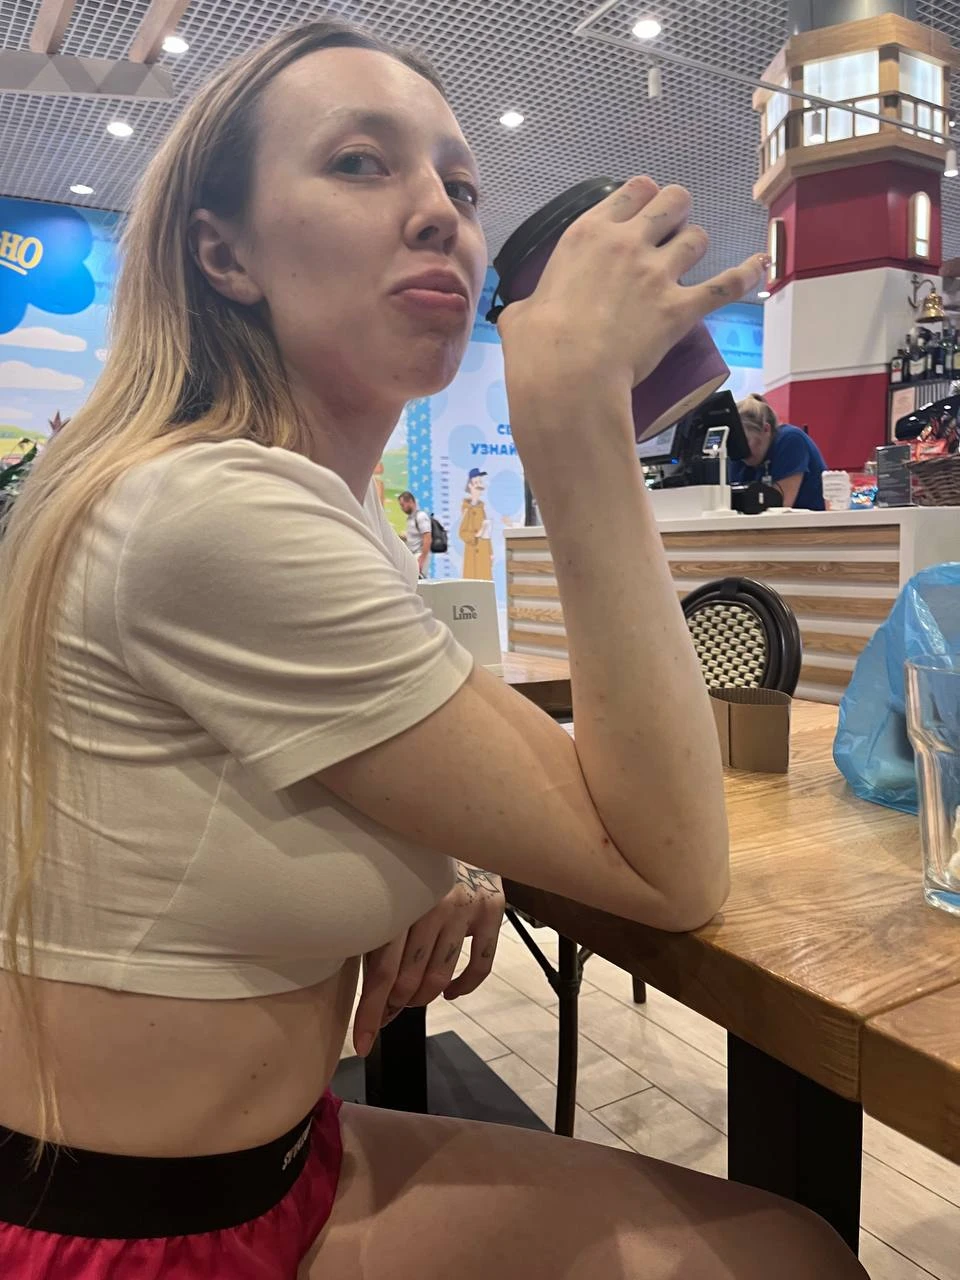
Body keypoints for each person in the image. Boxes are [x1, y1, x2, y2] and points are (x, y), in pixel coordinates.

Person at [0, 19, 868, 1280]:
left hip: (264, 1162)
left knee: (787, 1243)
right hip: (138, 1237)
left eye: (460, 188)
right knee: (789, 1255)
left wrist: (441, 856)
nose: (441, 216)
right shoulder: (210, 509)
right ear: (222, 252)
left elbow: (477, 780)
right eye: (361, 163)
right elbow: (674, 867)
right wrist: (577, 425)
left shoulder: (307, 504)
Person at [731, 393, 827, 510]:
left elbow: (780, 508)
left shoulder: (791, 440)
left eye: (746, 441)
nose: (741, 451)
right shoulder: (741, 455)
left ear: (766, 429)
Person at [459, 466, 493, 579]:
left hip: (483, 552)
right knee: (475, 581)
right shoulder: (467, 509)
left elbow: (487, 534)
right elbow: (462, 533)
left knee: (485, 581)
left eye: (480, 482)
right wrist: (476, 535)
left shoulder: (481, 508)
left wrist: (490, 552)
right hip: (474, 553)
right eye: (476, 483)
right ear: (470, 486)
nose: (479, 485)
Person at [398, 488, 433, 575]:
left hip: (419, 555)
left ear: (410, 501)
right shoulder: (410, 518)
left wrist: (422, 559)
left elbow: (427, 538)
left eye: (402, 505)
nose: (401, 508)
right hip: (412, 556)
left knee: (418, 581)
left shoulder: (421, 516)